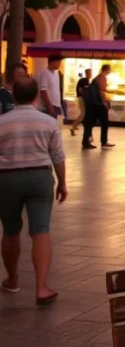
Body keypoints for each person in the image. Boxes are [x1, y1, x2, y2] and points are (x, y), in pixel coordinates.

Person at [0, 77, 67, 305]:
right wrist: (63, 183)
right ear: (37, 96)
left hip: (6, 178)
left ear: (13, 96)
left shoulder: (2, 121)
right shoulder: (48, 122)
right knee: (40, 230)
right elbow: (57, 155)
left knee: (10, 230)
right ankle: (41, 288)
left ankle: (12, 279)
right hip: (39, 177)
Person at [82, 64, 113, 150]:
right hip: (99, 104)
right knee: (105, 123)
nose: (110, 71)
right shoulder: (102, 78)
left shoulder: (97, 78)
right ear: (107, 70)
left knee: (90, 123)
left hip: (94, 103)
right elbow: (102, 91)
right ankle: (104, 142)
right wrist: (106, 103)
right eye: (110, 70)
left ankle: (86, 141)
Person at [35, 55, 62, 119]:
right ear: (52, 62)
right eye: (58, 63)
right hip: (49, 105)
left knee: (55, 126)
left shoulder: (56, 73)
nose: (59, 64)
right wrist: (49, 106)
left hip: (56, 104)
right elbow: (43, 91)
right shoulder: (44, 73)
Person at [69, 68, 91, 137]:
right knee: (82, 114)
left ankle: (74, 126)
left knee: (83, 114)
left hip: (82, 98)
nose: (90, 74)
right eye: (89, 73)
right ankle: (73, 127)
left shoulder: (86, 81)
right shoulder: (84, 81)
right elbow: (80, 90)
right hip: (82, 99)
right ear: (87, 73)